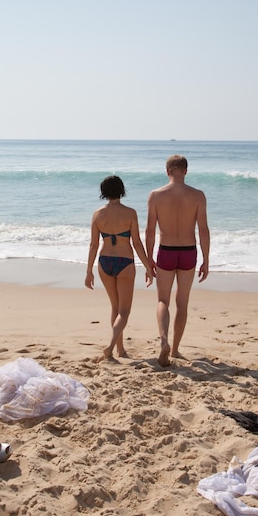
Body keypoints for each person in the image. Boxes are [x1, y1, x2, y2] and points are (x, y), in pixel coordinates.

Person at [146, 154, 210, 367]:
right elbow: (203, 230)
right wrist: (206, 259)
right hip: (189, 251)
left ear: (167, 171)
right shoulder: (198, 195)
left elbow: (149, 231)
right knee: (182, 302)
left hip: (166, 251)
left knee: (162, 300)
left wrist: (148, 259)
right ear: (185, 170)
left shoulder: (156, 195)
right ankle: (174, 349)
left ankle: (163, 340)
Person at [85, 175, 153, 361]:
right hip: (124, 262)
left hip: (104, 262)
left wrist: (89, 271)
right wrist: (148, 266)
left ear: (103, 192)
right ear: (121, 190)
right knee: (124, 311)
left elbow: (93, 245)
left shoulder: (98, 214)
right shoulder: (130, 213)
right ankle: (111, 346)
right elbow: (137, 243)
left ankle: (120, 350)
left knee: (115, 307)